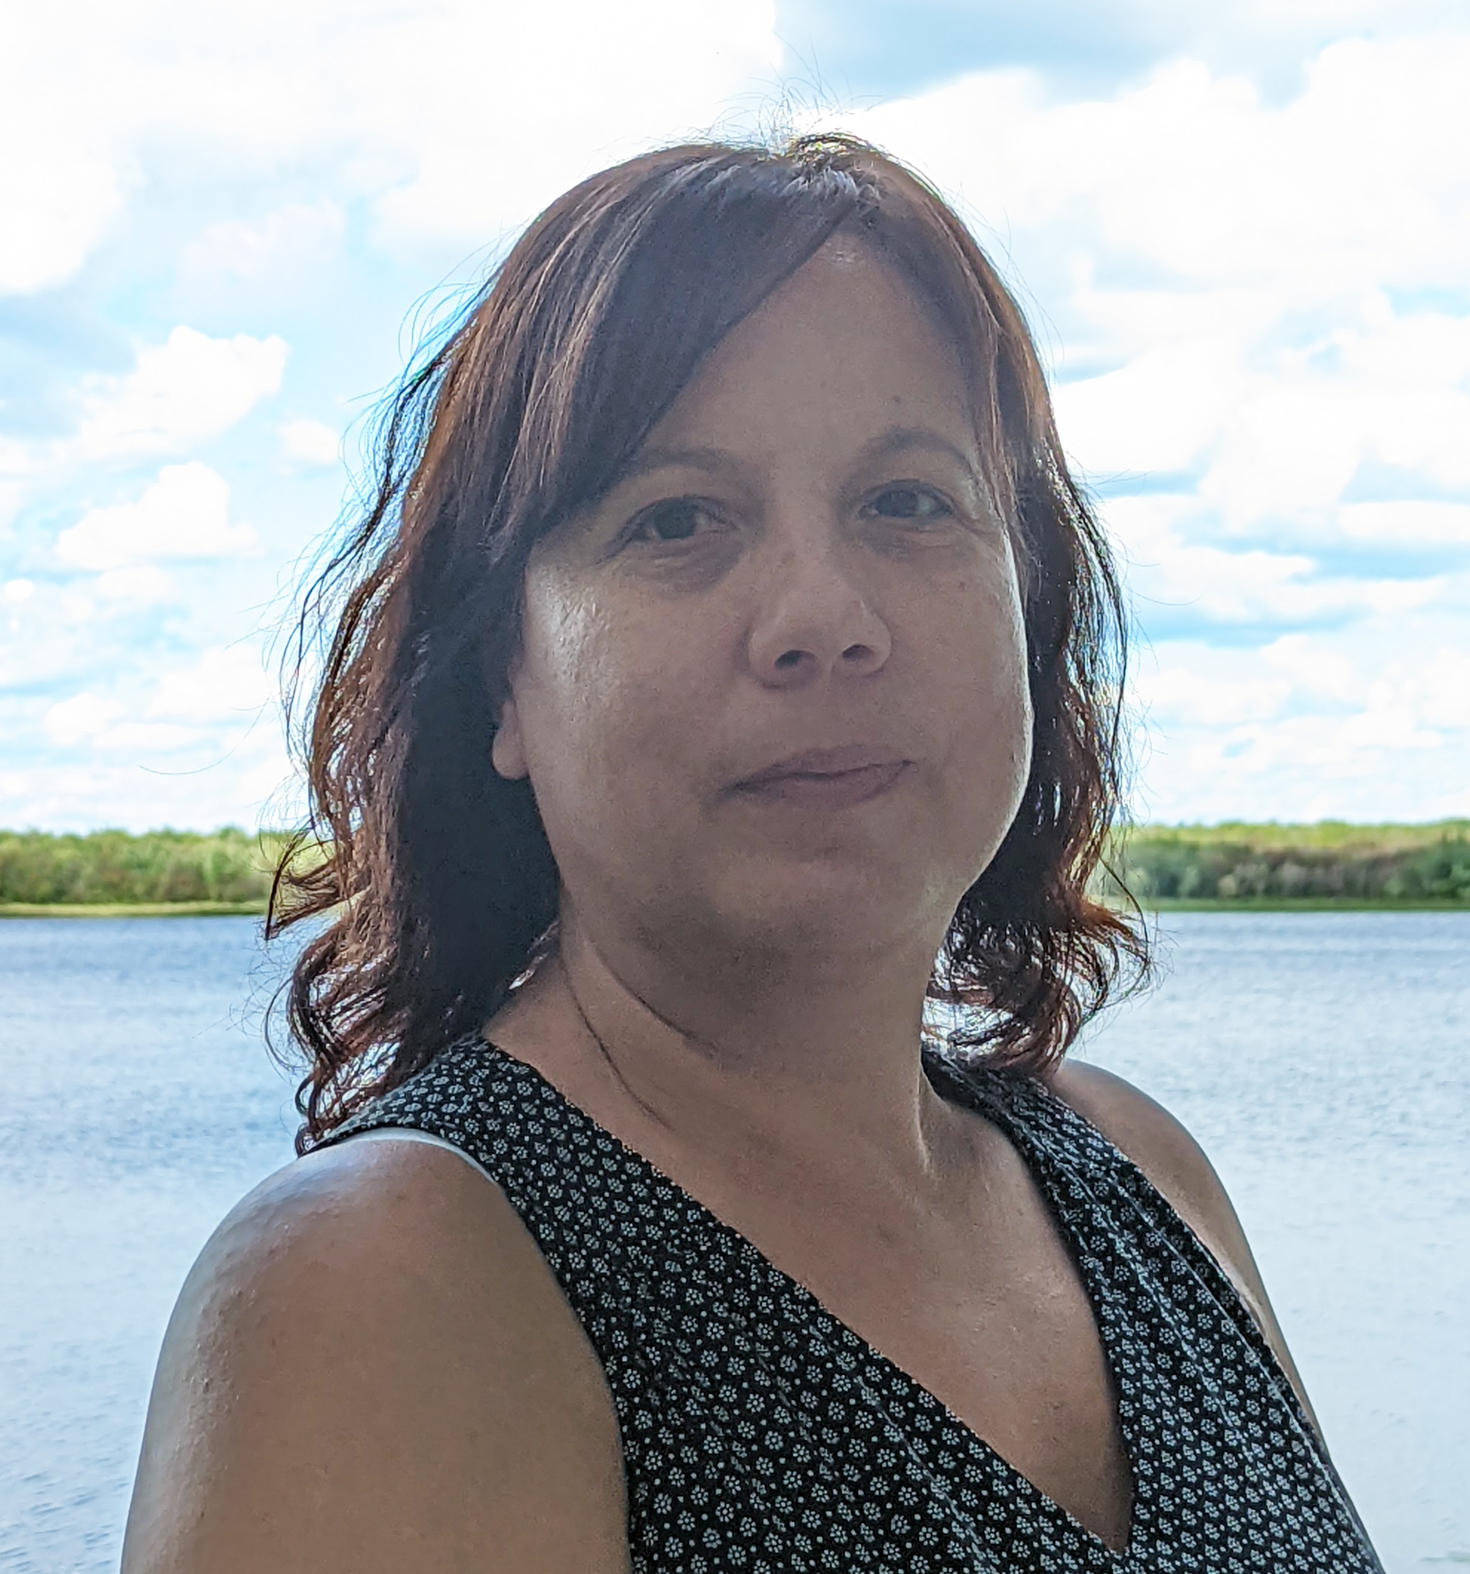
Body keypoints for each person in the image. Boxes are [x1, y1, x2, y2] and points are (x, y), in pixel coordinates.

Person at [121, 135, 1383, 1572]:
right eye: (677, 519)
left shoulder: (1139, 1170)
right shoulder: (383, 1286)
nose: (822, 617)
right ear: (502, 684)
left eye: (907, 501)